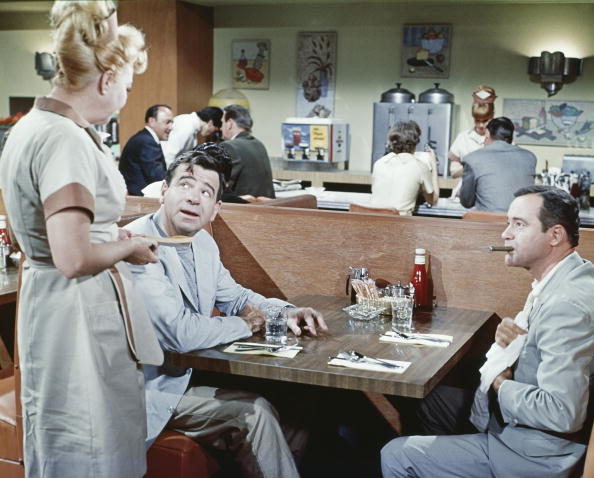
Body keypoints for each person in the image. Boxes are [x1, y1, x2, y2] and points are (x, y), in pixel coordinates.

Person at [0, 2, 163, 477]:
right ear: (107, 78)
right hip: (76, 314)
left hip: (51, 306)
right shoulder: (65, 139)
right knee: (92, 447)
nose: (125, 100)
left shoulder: (30, 127)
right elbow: (72, 257)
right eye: (128, 87)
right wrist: (128, 246)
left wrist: (113, 236)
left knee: (64, 438)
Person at [125, 149, 328, 478]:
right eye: (185, 185)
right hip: (147, 388)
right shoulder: (137, 244)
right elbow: (181, 334)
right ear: (164, 190)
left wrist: (287, 311)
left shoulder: (202, 242)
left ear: (216, 209)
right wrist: (244, 324)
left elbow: (236, 297)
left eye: (206, 192)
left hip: (191, 373)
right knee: (257, 413)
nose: (194, 198)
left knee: (302, 394)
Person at [381, 185, 594, 478]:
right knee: (427, 402)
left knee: (395, 455)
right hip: (526, 432)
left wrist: (500, 384)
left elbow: (562, 412)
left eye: (519, 224)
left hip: (534, 455)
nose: (505, 234)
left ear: (555, 236)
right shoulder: (574, 275)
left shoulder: (565, 304)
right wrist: (521, 343)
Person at [459, 116, 537, 212]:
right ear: (511, 137)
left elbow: (467, 202)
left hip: (488, 222)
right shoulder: (529, 157)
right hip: (522, 222)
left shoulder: (472, 159)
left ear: (487, 133)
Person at [370, 120, 439, 215]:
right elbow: (433, 201)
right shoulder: (420, 166)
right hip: (399, 225)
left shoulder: (379, 163)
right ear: (415, 143)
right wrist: (434, 165)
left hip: (373, 223)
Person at [220, 104, 276, 198]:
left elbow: (218, 186)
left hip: (241, 209)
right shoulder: (259, 144)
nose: (221, 128)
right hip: (265, 207)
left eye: (222, 123)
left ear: (229, 123)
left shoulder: (229, 146)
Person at [119, 103, 173, 195]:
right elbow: (157, 177)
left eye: (172, 122)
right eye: (167, 122)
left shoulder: (145, 138)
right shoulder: (146, 141)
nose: (171, 127)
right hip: (140, 200)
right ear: (152, 121)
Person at [449, 85, 496, 179]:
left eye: (485, 120)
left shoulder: (501, 137)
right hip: (467, 190)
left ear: (493, 115)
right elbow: (453, 172)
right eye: (477, 120)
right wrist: (470, 169)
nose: (481, 125)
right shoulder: (463, 138)